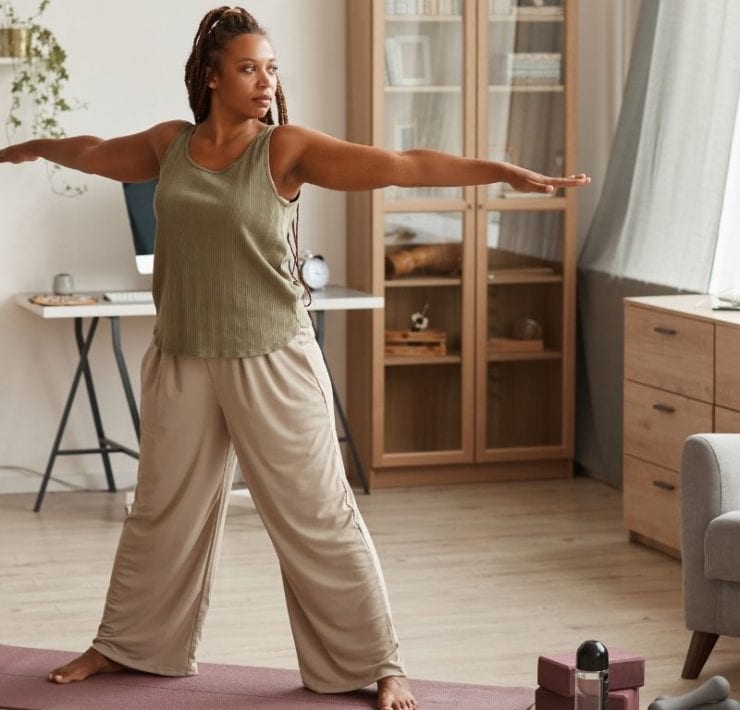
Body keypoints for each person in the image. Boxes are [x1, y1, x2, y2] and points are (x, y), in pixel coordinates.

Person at [0, 6, 590, 710]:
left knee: (317, 514)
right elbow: (93, 150)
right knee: (161, 509)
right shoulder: (169, 145)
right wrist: (33, 145)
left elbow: (401, 165)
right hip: (184, 354)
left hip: (271, 356)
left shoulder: (284, 150)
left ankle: (379, 662)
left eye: (272, 68)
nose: (265, 82)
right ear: (212, 75)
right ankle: (127, 644)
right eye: (249, 68)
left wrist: (500, 171)